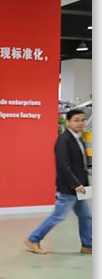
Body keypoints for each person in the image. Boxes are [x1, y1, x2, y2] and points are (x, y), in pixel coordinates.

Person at [24, 109, 92, 255]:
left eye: (82, 120)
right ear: (68, 122)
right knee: (58, 216)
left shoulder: (79, 139)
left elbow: (82, 165)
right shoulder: (63, 140)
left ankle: (88, 245)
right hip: (69, 188)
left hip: (81, 188)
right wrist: (76, 184)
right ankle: (33, 239)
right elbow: (63, 165)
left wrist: (85, 185)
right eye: (76, 120)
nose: (80, 123)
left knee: (86, 215)